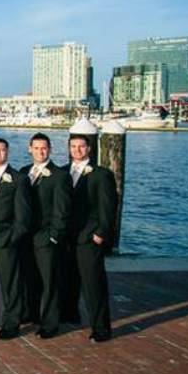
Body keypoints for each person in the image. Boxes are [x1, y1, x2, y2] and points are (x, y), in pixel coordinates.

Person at [65, 134, 117, 343]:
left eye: (81, 146)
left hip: (89, 238)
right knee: (69, 280)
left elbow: (108, 206)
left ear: (89, 149)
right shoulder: (62, 172)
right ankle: (70, 315)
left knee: (93, 285)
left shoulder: (101, 174)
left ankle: (101, 328)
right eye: (73, 146)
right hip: (67, 237)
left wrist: (101, 234)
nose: (77, 150)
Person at [19, 133, 70, 339]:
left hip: (46, 237)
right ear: (29, 148)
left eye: (44, 148)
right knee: (29, 278)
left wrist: (54, 236)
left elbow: (62, 210)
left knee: (49, 281)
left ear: (50, 150)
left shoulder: (59, 175)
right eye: (37, 147)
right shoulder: (23, 172)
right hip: (25, 236)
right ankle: (32, 314)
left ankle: (50, 323)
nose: (41, 151)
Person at [0, 138, 31, 340]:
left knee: (10, 284)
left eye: (2, 151)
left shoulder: (18, 179)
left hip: (5, 240)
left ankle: (12, 323)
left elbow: (23, 217)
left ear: (7, 152)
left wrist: (11, 238)